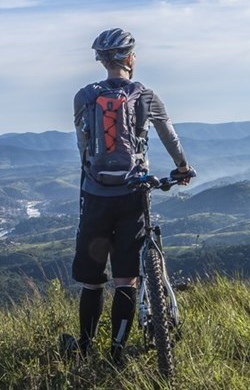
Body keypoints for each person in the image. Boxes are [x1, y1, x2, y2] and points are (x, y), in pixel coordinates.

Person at [69, 27, 194, 364]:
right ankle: (117, 351)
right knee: (126, 279)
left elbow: (83, 146)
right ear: (129, 58)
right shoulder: (146, 96)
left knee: (93, 282)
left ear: (101, 59)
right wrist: (182, 167)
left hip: (95, 195)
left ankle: (83, 347)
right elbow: (170, 137)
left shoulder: (84, 97)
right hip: (133, 195)